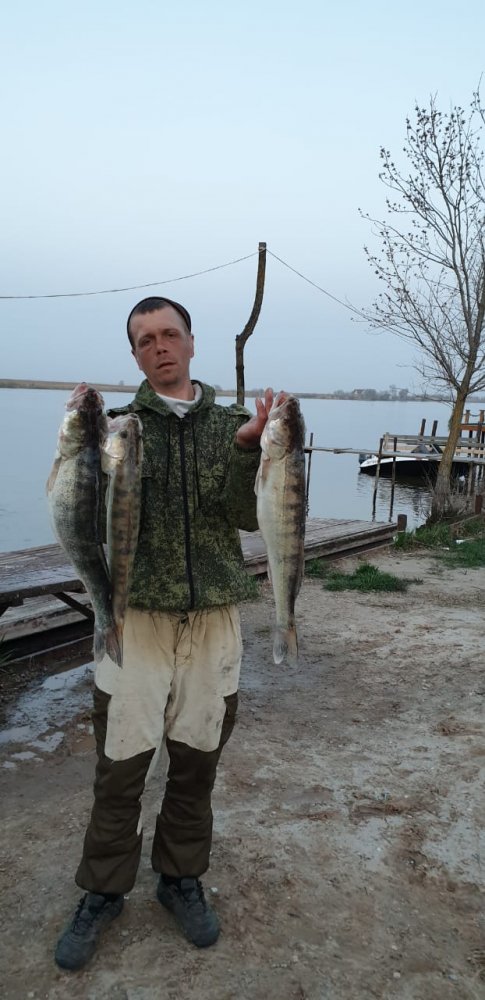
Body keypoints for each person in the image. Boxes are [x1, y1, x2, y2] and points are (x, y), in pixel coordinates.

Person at [55, 296, 273, 971]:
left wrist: (249, 450)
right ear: (135, 354)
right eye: (145, 339)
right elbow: (84, 510)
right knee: (120, 766)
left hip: (213, 620)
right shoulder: (118, 428)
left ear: (191, 341)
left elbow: (248, 517)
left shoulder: (234, 425)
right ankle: (103, 890)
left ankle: (180, 879)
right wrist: (79, 446)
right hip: (135, 618)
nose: (159, 346)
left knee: (196, 761)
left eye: (169, 334)